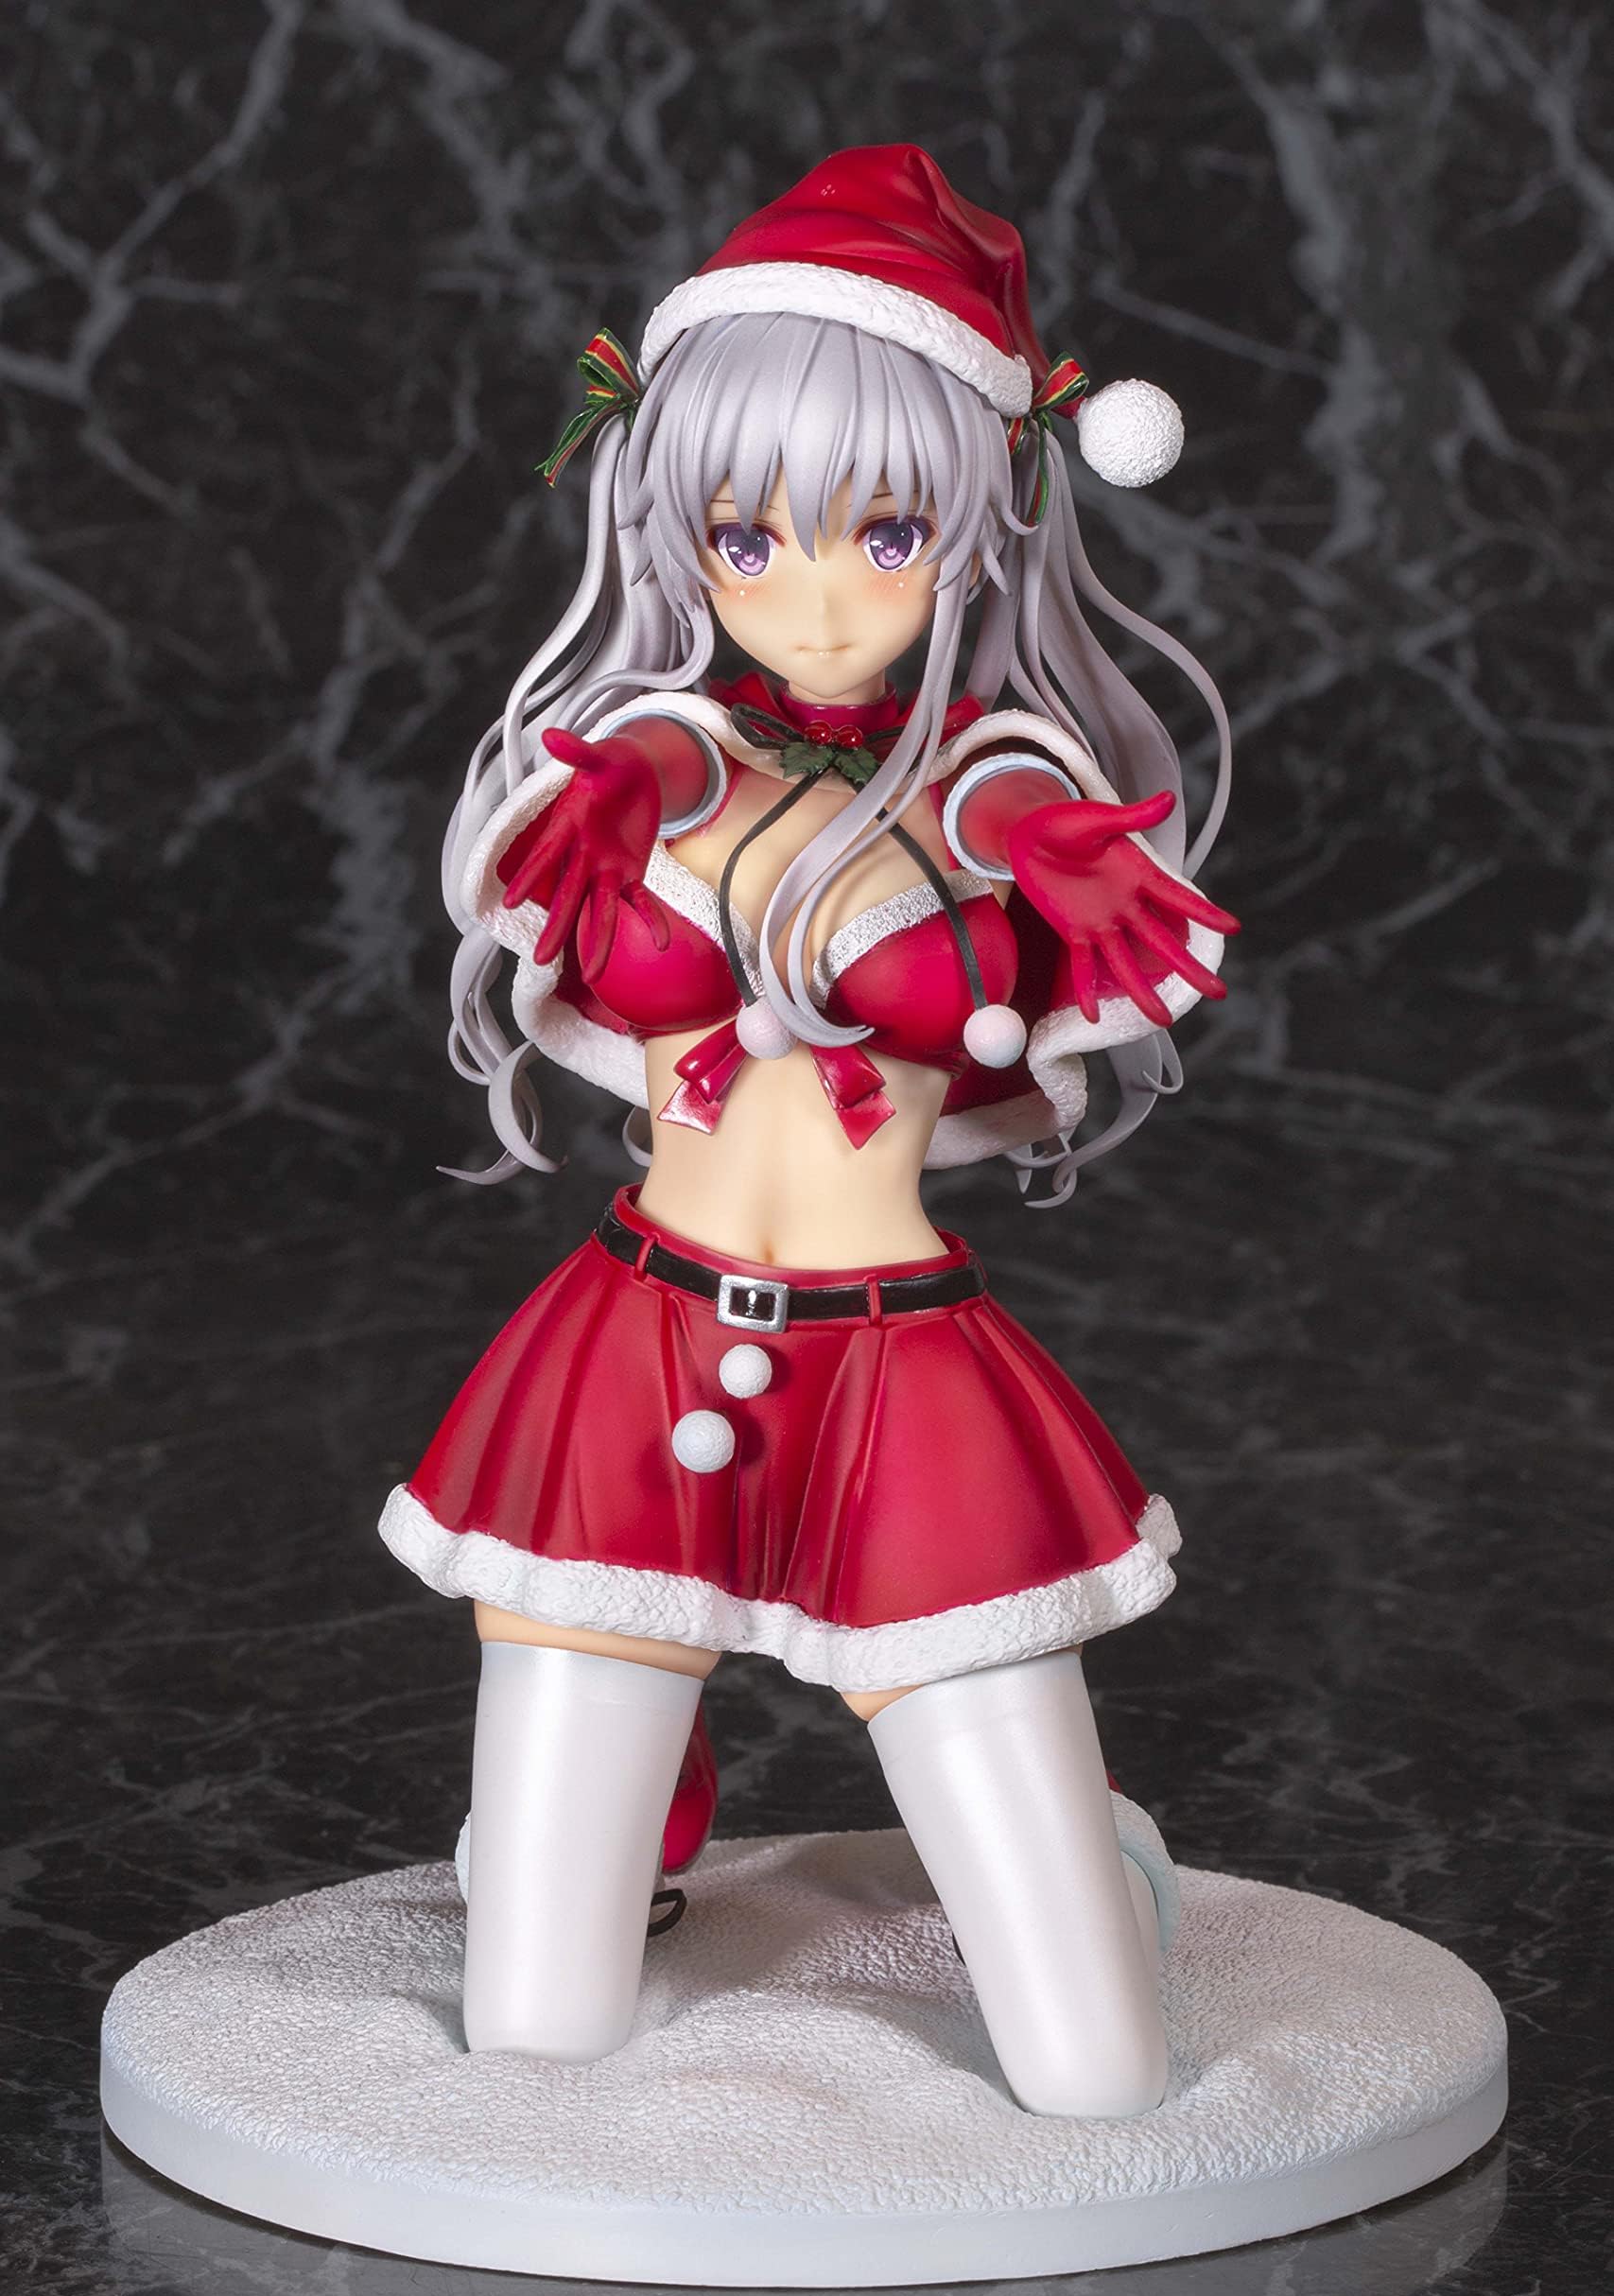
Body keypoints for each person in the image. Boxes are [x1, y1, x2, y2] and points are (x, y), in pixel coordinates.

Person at [379, 146, 1238, 2117]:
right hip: (636, 1351)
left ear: (984, 525)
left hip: (902, 1378)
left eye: (887, 529)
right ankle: (613, 1851)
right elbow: (655, 752)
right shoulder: (662, 755)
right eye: (746, 536)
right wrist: (613, 793)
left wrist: (1059, 859)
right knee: (536, 2032)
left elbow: (1019, 800)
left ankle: (1094, 1859)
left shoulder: (994, 788)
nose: (818, 595)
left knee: (1096, 2073)